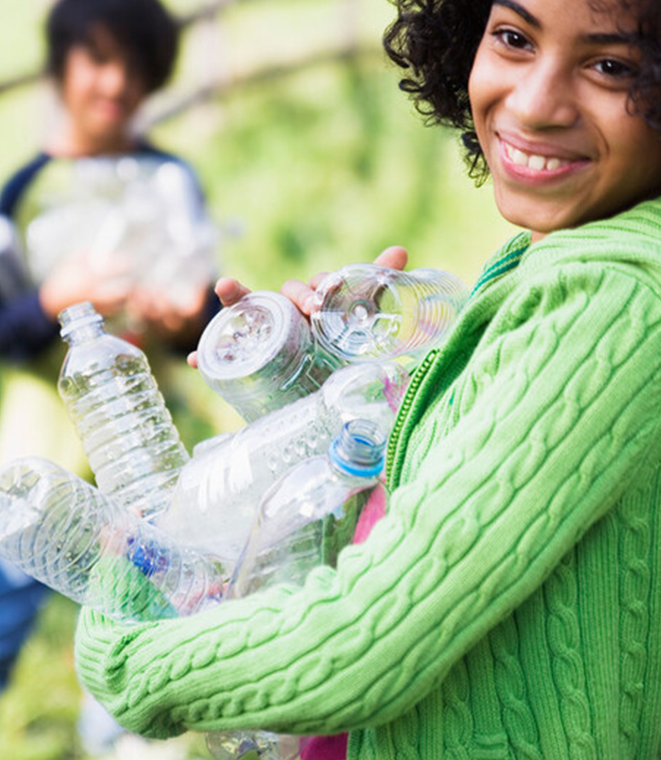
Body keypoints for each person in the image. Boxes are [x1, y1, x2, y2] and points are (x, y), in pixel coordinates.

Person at [73, 0, 661, 758]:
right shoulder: (583, 255)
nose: (537, 103)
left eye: (610, 65)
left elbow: (369, 639)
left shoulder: (613, 297)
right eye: (513, 37)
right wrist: (326, 402)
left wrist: (130, 656)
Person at [0, 0, 218, 758]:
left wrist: (184, 319)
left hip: (141, 467)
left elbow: (205, 324)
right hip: (39, 463)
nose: (115, 83)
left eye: (135, 68)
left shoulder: (170, 181)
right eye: (97, 60)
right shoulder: (29, 191)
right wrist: (50, 303)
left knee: (135, 625)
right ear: (61, 67)